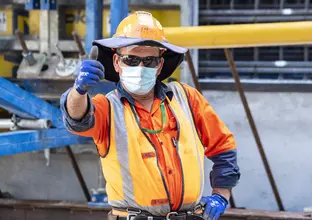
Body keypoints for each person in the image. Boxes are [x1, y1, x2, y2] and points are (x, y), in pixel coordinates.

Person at [60, 11, 240, 220]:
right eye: (132, 59)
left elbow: (223, 145)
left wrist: (221, 195)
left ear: (160, 65)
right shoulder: (108, 107)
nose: (141, 67)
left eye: (150, 61)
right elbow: (77, 120)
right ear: (117, 62)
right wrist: (78, 91)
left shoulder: (187, 98)